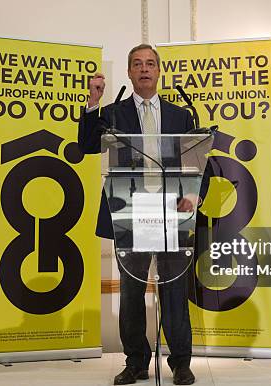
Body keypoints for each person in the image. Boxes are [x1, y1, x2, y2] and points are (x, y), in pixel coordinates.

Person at [78, 44, 195, 385]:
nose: (144, 69)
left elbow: (197, 161)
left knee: (174, 289)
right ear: (129, 72)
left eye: (150, 64)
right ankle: (136, 362)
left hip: (171, 210)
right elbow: (87, 145)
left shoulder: (180, 116)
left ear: (159, 71)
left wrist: (191, 197)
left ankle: (181, 363)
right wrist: (93, 102)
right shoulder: (114, 114)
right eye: (137, 64)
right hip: (129, 209)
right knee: (131, 290)